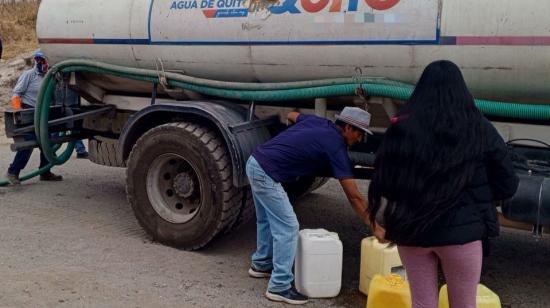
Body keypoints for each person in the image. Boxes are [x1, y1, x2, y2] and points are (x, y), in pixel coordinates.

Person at [367, 60, 519, 308]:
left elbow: (384, 179)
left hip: (410, 231)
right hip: (462, 236)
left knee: (422, 304)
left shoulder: (401, 126)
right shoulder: (479, 128)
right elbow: (507, 183)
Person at [246, 107, 372, 305]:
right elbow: (354, 197)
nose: (360, 138)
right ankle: (279, 286)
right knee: (288, 227)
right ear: (348, 127)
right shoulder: (336, 145)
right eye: (359, 132)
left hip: (256, 161)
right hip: (265, 173)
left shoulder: (319, 122)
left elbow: (291, 115)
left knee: (267, 219)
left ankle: (261, 264)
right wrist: (374, 225)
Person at [5, 50, 63, 185]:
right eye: (40, 61)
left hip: (43, 114)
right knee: (27, 144)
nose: (43, 64)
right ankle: (13, 172)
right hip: (28, 113)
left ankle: (45, 172)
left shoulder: (51, 77)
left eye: (45, 61)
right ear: (37, 61)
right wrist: (19, 111)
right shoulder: (29, 75)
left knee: (47, 143)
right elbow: (16, 94)